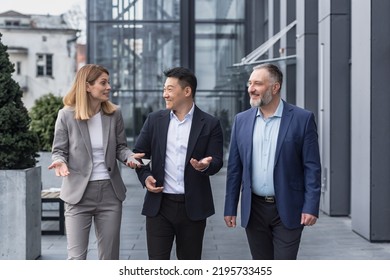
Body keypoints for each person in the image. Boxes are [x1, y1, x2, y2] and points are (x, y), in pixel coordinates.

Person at [224, 63, 321, 260]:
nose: (251, 88)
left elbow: (312, 167)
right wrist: (230, 207)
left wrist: (311, 206)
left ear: (275, 87)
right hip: (254, 209)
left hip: (288, 206)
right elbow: (235, 169)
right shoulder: (241, 120)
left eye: (258, 83)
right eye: (250, 83)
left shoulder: (302, 119)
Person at [48, 64, 143, 260]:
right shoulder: (66, 115)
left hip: (110, 193)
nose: (109, 87)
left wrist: (130, 157)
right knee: (76, 258)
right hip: (78, 195)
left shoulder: (114, 113)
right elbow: (59, 150)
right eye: (103, 83)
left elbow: (121, 147)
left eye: (108, 82)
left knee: (109, 257)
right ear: (87, 86)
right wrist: (59, 161)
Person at [133, 66, 224, 260]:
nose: (165, 94)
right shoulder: (154, 120)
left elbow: (217, 161)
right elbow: (138, 156)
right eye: (164, 89)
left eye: (169, 89)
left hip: (193, 207)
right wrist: (146, 176)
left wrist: (205, 165)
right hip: (159, 206)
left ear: (187, 91)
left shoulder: (210, 123)